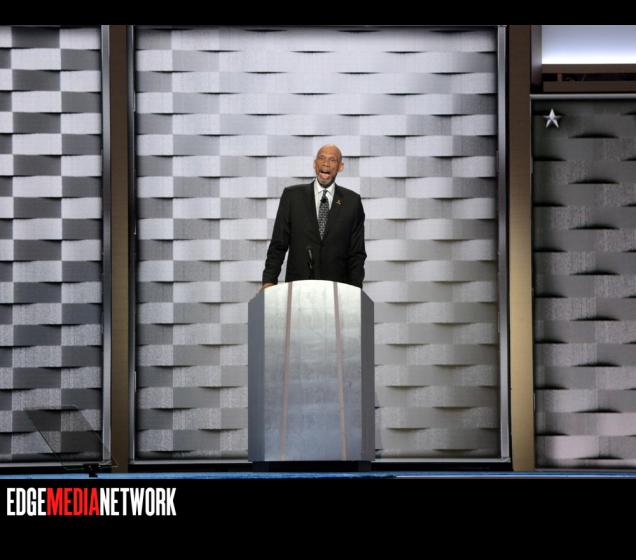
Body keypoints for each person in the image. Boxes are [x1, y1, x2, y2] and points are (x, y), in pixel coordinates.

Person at [262, 144, 366, 289]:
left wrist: (355, 290)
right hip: (298, 287)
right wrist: (269, 280)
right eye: (322, 158)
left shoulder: (352, 202)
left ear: (340, 167)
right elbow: (278, 245)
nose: (326, 163)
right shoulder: (292, 196)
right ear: (315, 164)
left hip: (337, 289)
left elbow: (357, 253)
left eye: (332, 160)